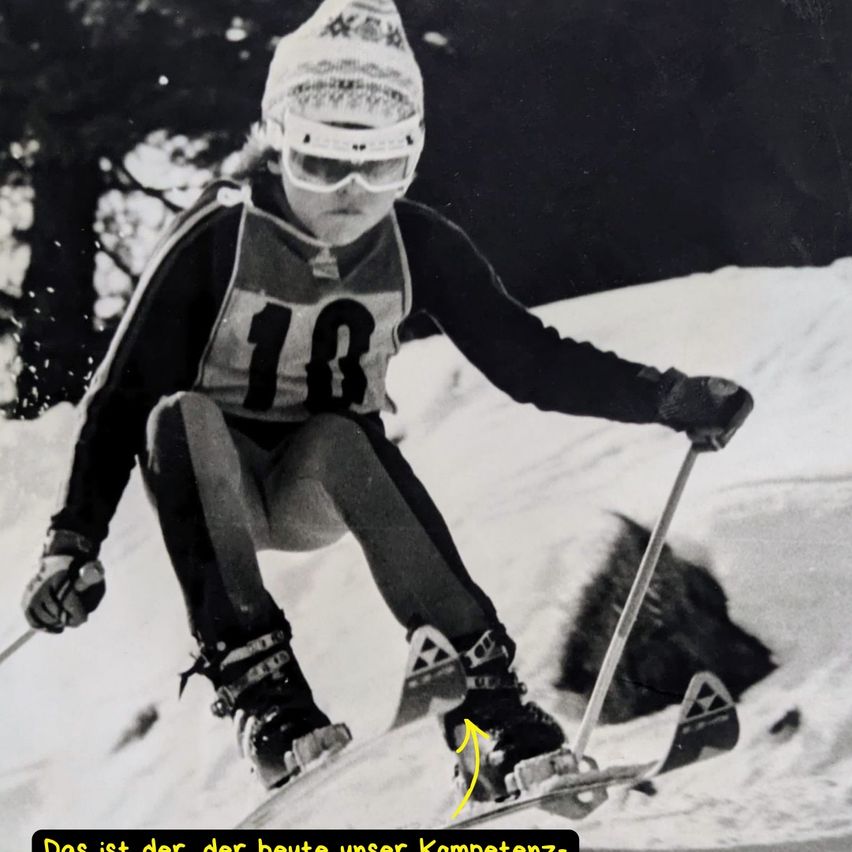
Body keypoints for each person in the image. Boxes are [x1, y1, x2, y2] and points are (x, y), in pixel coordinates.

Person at [21, 0, 753, 799]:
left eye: (381, 169)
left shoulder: (418, 243)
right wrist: (72, 539)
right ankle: (269, 702)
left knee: (340, 433)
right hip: (214, 485)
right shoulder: (219, 240)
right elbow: (119, 396)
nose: (351, 194)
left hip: (318, 487)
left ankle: (491, 721)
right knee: (178, 414)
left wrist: (662, 395)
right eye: (324, 166)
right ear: (278, 149)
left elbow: (527, 359)